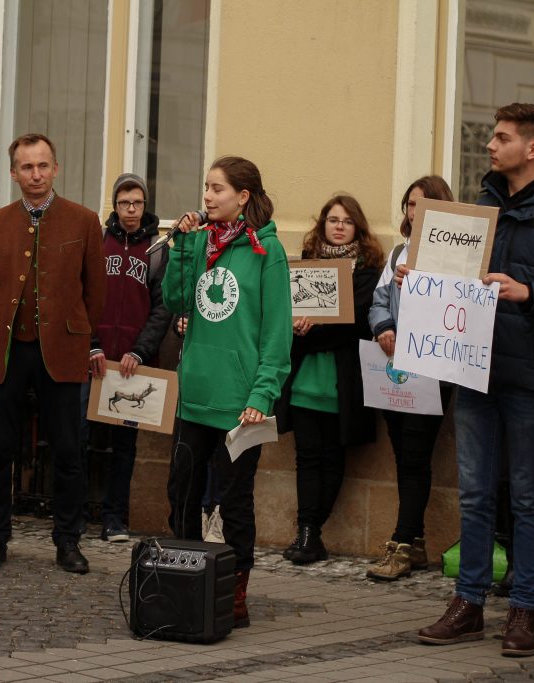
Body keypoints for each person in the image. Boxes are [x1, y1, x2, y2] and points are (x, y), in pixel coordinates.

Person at [418, 102, 534, 657]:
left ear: (533, 148)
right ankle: (468, 603)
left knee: (528, 498)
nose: (490, 146)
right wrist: (419, 272)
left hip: (531, 378)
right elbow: (452, 277)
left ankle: (524, 610)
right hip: (473, 368)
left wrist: (530, 293)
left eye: (501, 137)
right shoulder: (480, 207)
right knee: (472, 495)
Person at [164, 156, 291, 627]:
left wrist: (262, 394)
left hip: (242, 405)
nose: (207, 196)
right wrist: (180, 246)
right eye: (206, 187)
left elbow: (277, 333)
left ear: (243, 196)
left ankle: (234, 589)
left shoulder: (267, 251)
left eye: (217, 189)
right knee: (182, 491)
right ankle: (182, 577)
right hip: (196, 394)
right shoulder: (198, 243)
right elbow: (176, 301)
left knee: (234, 501)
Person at [0, 133, 106, 573]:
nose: (36, 174)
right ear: (13, 173)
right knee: (0, 451)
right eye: (27, 167)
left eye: (43, 165)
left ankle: (68, 540)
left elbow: (96, 292)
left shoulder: (85, 221)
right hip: (10, 350)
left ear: (56, 169)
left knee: (68, 450)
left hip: (63, 351)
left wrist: (74, 329)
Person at [274, 195, 383, 564]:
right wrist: (299, 325)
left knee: (334, 458)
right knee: (307, 459)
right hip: (305, 381)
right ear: (322, 225)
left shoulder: (368, 270)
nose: (338, 226)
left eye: (347, 221)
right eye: (332, 220)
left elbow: (354, 325)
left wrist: (314, 327)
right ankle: (307, 533)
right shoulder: (305, 266)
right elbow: (285, 316)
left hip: (343, 383)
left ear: (357, 228)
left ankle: (313, 530)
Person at [366, 175, 455, 581]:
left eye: (421, 205)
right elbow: (380, 299)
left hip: (434, 370)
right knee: (404, 454)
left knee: (416, 456)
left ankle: (400, 545)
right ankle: (415, 543)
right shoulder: (398, 253)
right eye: (409, 204)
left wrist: (423, 281)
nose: (412, 212)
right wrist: (383, 326)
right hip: (395, 366)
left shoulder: (457, 257)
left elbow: (462, 309)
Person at [86, 172, 171, 542]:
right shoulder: (98, 242)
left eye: (137, 203)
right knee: (84, 439)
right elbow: (82, 297)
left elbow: (162, 308)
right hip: (95, 361)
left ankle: (113, 517)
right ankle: (77, 511)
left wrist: (141, 350)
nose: (131, 210)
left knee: (124, 447)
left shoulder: (156, 250)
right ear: (115, 205)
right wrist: (91, 344)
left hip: (131, 367)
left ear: (145, 205)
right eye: (124, 203)